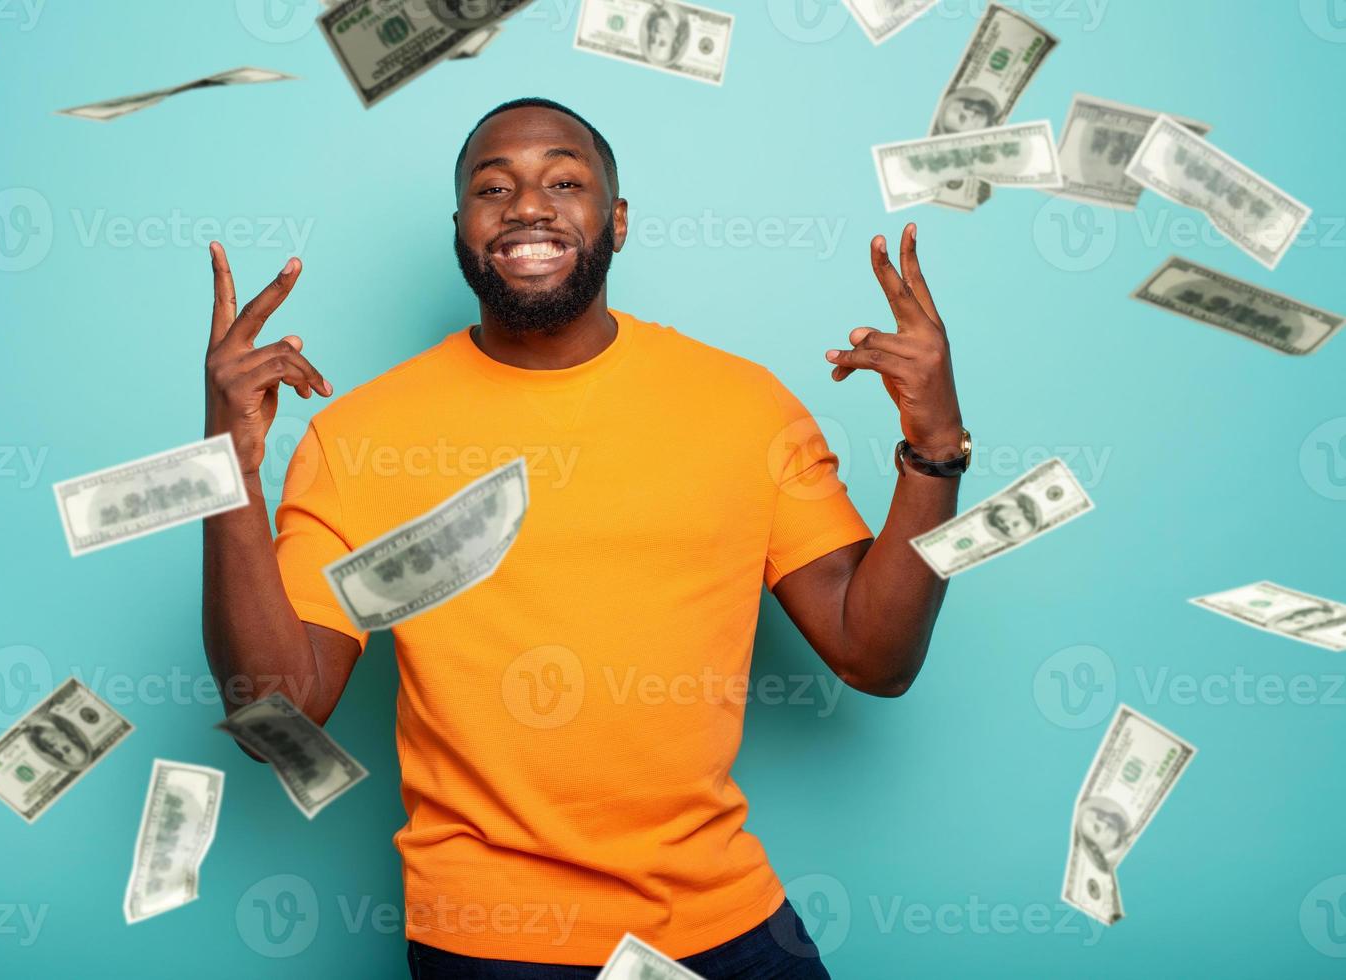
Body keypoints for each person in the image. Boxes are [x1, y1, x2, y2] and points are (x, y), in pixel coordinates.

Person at [202, 97, 968, 977]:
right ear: (461, 230)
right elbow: (276, 713)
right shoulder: (361, 436)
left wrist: (935, 452)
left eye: (564, 180)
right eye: (494, 188)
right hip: (492, 941)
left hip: (725, 922)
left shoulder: (742, 406)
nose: (528, 204)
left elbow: (876, 659)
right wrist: (228, 467)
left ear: (618, 220)